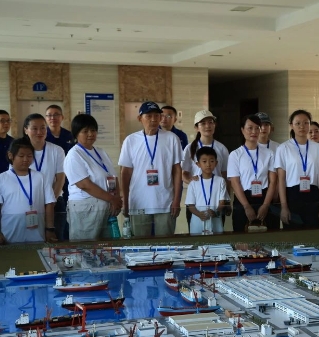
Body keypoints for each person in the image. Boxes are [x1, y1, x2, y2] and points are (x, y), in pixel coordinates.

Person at [119, 102, 183, 237]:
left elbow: (177, 170)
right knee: (141, 244)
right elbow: (125, 172)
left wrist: (177, 200)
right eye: (149, 116)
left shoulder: (172, 138)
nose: (153, 119)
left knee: (165, 244)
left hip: (165, 202)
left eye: (157, 116)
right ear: (140, 118)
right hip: (139, 202)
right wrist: (125, 199)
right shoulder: (130, 140)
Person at [63, 114, 122, 241]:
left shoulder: (101, 152)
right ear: (76, 134)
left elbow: (113, 176)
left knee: (106, 247)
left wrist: (116, 198)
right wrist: (112, 199)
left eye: (93, 130)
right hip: (86, 208)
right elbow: (84, 185)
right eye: (85, 131)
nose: (90, 134)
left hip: (106, 205)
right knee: (86, 247)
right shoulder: (74, 155)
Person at [275, 110, 319, 228]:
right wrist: (284, 206)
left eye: (306, 123)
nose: (302, 126)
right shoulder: (283, 148)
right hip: (292, 196)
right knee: (293, 234)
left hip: (314, 196)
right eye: (298, 123)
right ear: (291, 125)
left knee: (314, 234)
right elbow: (281, 180)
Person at [227, 114, 278, 232]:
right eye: (250, 128)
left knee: (269, 235)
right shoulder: (235, 154)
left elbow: (273, 181)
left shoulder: (269, 153)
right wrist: (246, 206)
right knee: (242, 237)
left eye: (257, 128)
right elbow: (235, 182)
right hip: (243, 198)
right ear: (242, 130)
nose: (254, 131)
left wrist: (265, 205)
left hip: (265, 197)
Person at [0, 137, 56, 244]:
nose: (26, 159)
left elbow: (49, 203)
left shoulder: (40, 177)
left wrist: (50, 229)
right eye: (21, 156)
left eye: (29, 156)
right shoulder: (2, 179)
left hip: (37, 234)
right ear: (10, 155)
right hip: (9, 234)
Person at [182, 110, 230, 228]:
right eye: (203, 123)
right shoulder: (189, 148)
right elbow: (184, 173)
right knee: (196, 230)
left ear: (215, 125)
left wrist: (227, 200)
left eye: (210, 122)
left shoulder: (222, 148)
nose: (207, 126)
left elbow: (226, 176)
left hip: (216, 198)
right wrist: (193, 182)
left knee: (217, 231)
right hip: (197, 199)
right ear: (196, 128)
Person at [23, 114, 66, 216]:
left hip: (55, 200)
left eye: (43, 128)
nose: (39, 132)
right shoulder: (20, 152)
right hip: (26, 201)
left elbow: (60, 179)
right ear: (26, 130)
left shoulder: (57, 150)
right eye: (34, 128)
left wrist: (50, 203)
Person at [43, 105, 71, 241]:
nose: (52, 118)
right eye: (49, 115)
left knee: (65, 218)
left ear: (62, 117)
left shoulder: (69, 136)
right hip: (50, 182)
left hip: (68, 181)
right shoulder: (43, 135)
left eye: (56, 114)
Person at [185, 147, 228, 235]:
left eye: (211, 161)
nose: (208, 164)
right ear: (198, 164)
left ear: (216, 163)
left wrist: (216, 212)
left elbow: (222, 202)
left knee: (216, 242)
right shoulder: (193, 183)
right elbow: (190, 205)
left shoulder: (220, 181)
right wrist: (198, 214)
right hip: (197, 222)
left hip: (215, 221)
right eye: (204, 161)